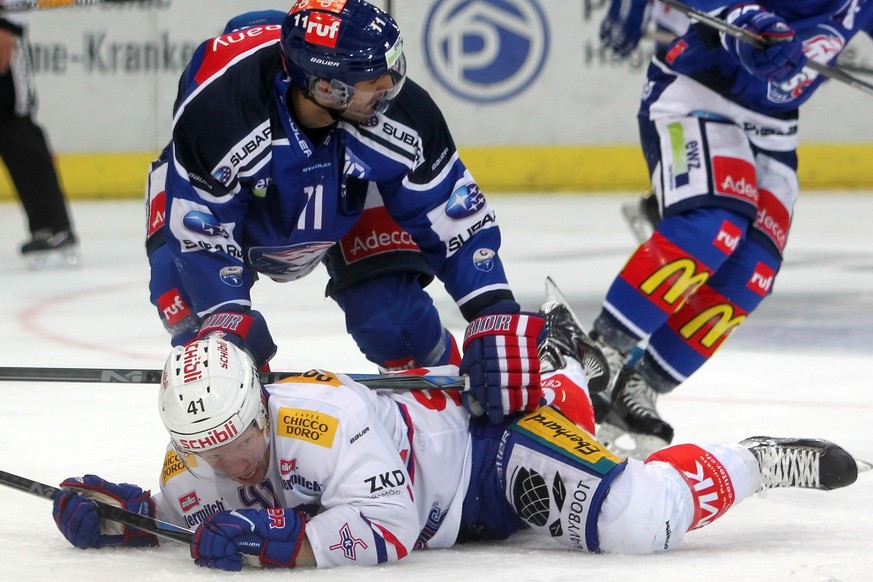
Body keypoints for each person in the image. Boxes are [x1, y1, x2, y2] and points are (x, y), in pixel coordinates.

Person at [49, 295, 863, 570]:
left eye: (236, 436)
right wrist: (118, 516)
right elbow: (188, 515)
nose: (225, 458)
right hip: (457, 492)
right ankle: (569, 360)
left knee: (634, 520)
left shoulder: (321, 418)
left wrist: (281, 542)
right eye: (205, 448)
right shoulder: (197, 454)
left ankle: (752, 458)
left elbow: (391, 524)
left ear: (261, 401)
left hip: (485, 451)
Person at [144, 0, 548, 426]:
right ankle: (237, 449)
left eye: (391, 71)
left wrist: (491, 308)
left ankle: (452, 422)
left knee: (394, 321)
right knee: (196, 327)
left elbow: (456, 217)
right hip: (227, 194)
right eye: (371, 81)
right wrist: (224, 316)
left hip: (351, 187)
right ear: (324, 87)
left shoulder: (400, 115)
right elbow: (201, 235)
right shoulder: (219, 117)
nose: (389, 88)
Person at [593, 0, 873, 459]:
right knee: (713, 227)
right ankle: (596, 356)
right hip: (699, 91)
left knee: (752, 271)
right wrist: (741, 19)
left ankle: (638, 388)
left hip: (774, 128)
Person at [0, 8, 79, 268]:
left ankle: (54, 227)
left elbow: (5, 38)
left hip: (6, 78)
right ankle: (50, 227)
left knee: (18, 133)